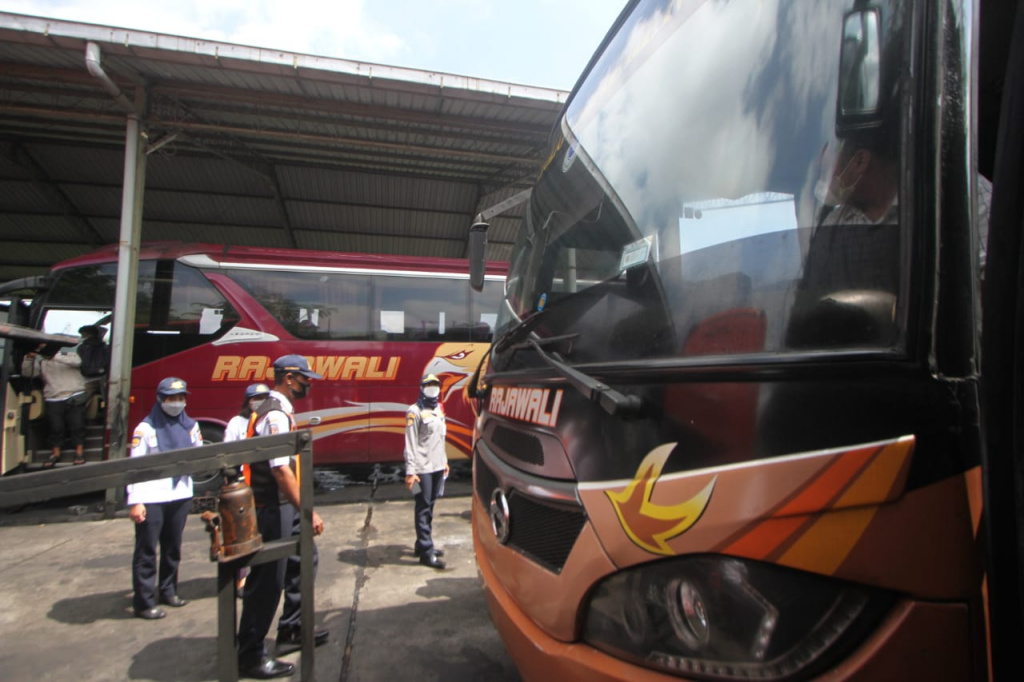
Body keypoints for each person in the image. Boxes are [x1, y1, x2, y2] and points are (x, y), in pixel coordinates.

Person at [237, 355, 326, 679]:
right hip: (270, 507)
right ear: (289, 377)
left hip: (281, 506)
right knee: (267, 582)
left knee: (305, 559)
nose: (308, 384)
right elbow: (279, 470)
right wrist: (307, 510)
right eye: (305, 379)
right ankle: (250, 654)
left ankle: (292, 628)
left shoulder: (280, 409)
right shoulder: (274, 414)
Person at [126, 377, 201, 620]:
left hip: (180, 493)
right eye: (171, 399)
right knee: (147, 550)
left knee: (173, 547)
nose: (177, 403)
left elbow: (199, 455)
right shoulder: (145, 428)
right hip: (151, 496)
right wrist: (135, 501)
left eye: (181, 398)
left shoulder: (191, 426)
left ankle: (168, 590)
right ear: (160, 400)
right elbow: (135, 468)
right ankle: (144, 602)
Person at [224, 382, 272, 594]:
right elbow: (228, 456)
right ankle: (240, 580)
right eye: (255, 399)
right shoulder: (237, 423)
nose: (259, 403)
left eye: (263, 399)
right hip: (243, 487)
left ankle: (260, 576)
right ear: (248, 401)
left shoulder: (271, 419)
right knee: (242, 535)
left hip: (263, 487)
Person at [404, 373, 450, 570]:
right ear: (421, 387)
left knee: (430, 505)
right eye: (428, 384)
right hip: (422, 468)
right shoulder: (414, 412)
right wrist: (410, 471)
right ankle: (426, 551)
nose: (432, 388)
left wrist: (445, 461)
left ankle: (421, 544)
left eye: (435, 385)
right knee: (422, 507)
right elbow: (410, 443)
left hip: (438, 466)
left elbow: (441, 438)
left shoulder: (439, 409)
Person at [21, 342, 88, 467]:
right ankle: (55, 453)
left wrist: (53, 356)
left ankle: (79, 452)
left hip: (74, 394)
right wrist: (29, 358)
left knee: (77, 424)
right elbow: (29, 373)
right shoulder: (41, 362)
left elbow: (77, 362)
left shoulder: (69, 354)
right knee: (56, 427)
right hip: (53, 397)